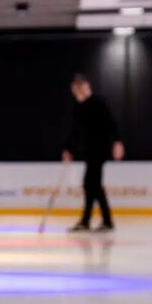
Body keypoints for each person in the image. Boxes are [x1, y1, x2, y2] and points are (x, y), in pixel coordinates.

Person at [62, 73, 125, 233]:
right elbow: (76, 131)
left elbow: (111, 123)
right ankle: (91, 221)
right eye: (74, 90)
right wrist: (69, 149)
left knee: (92, 184)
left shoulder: (98, 103)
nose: (77, 92)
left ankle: (101, 221)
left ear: (86, 86)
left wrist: (117, 142)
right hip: (88, 150)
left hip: (100, 149)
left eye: (79, 88)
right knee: (91, 185)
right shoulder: (78, 108)